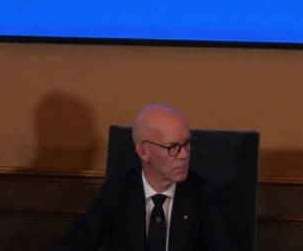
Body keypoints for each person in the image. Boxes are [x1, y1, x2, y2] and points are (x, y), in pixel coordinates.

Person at [53, 104, 230, 251]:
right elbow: (71, 245)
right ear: (143, 151)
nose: (184, 155)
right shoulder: (118, 194)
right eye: (173, 147)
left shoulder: (208, 198)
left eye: (186, 144)